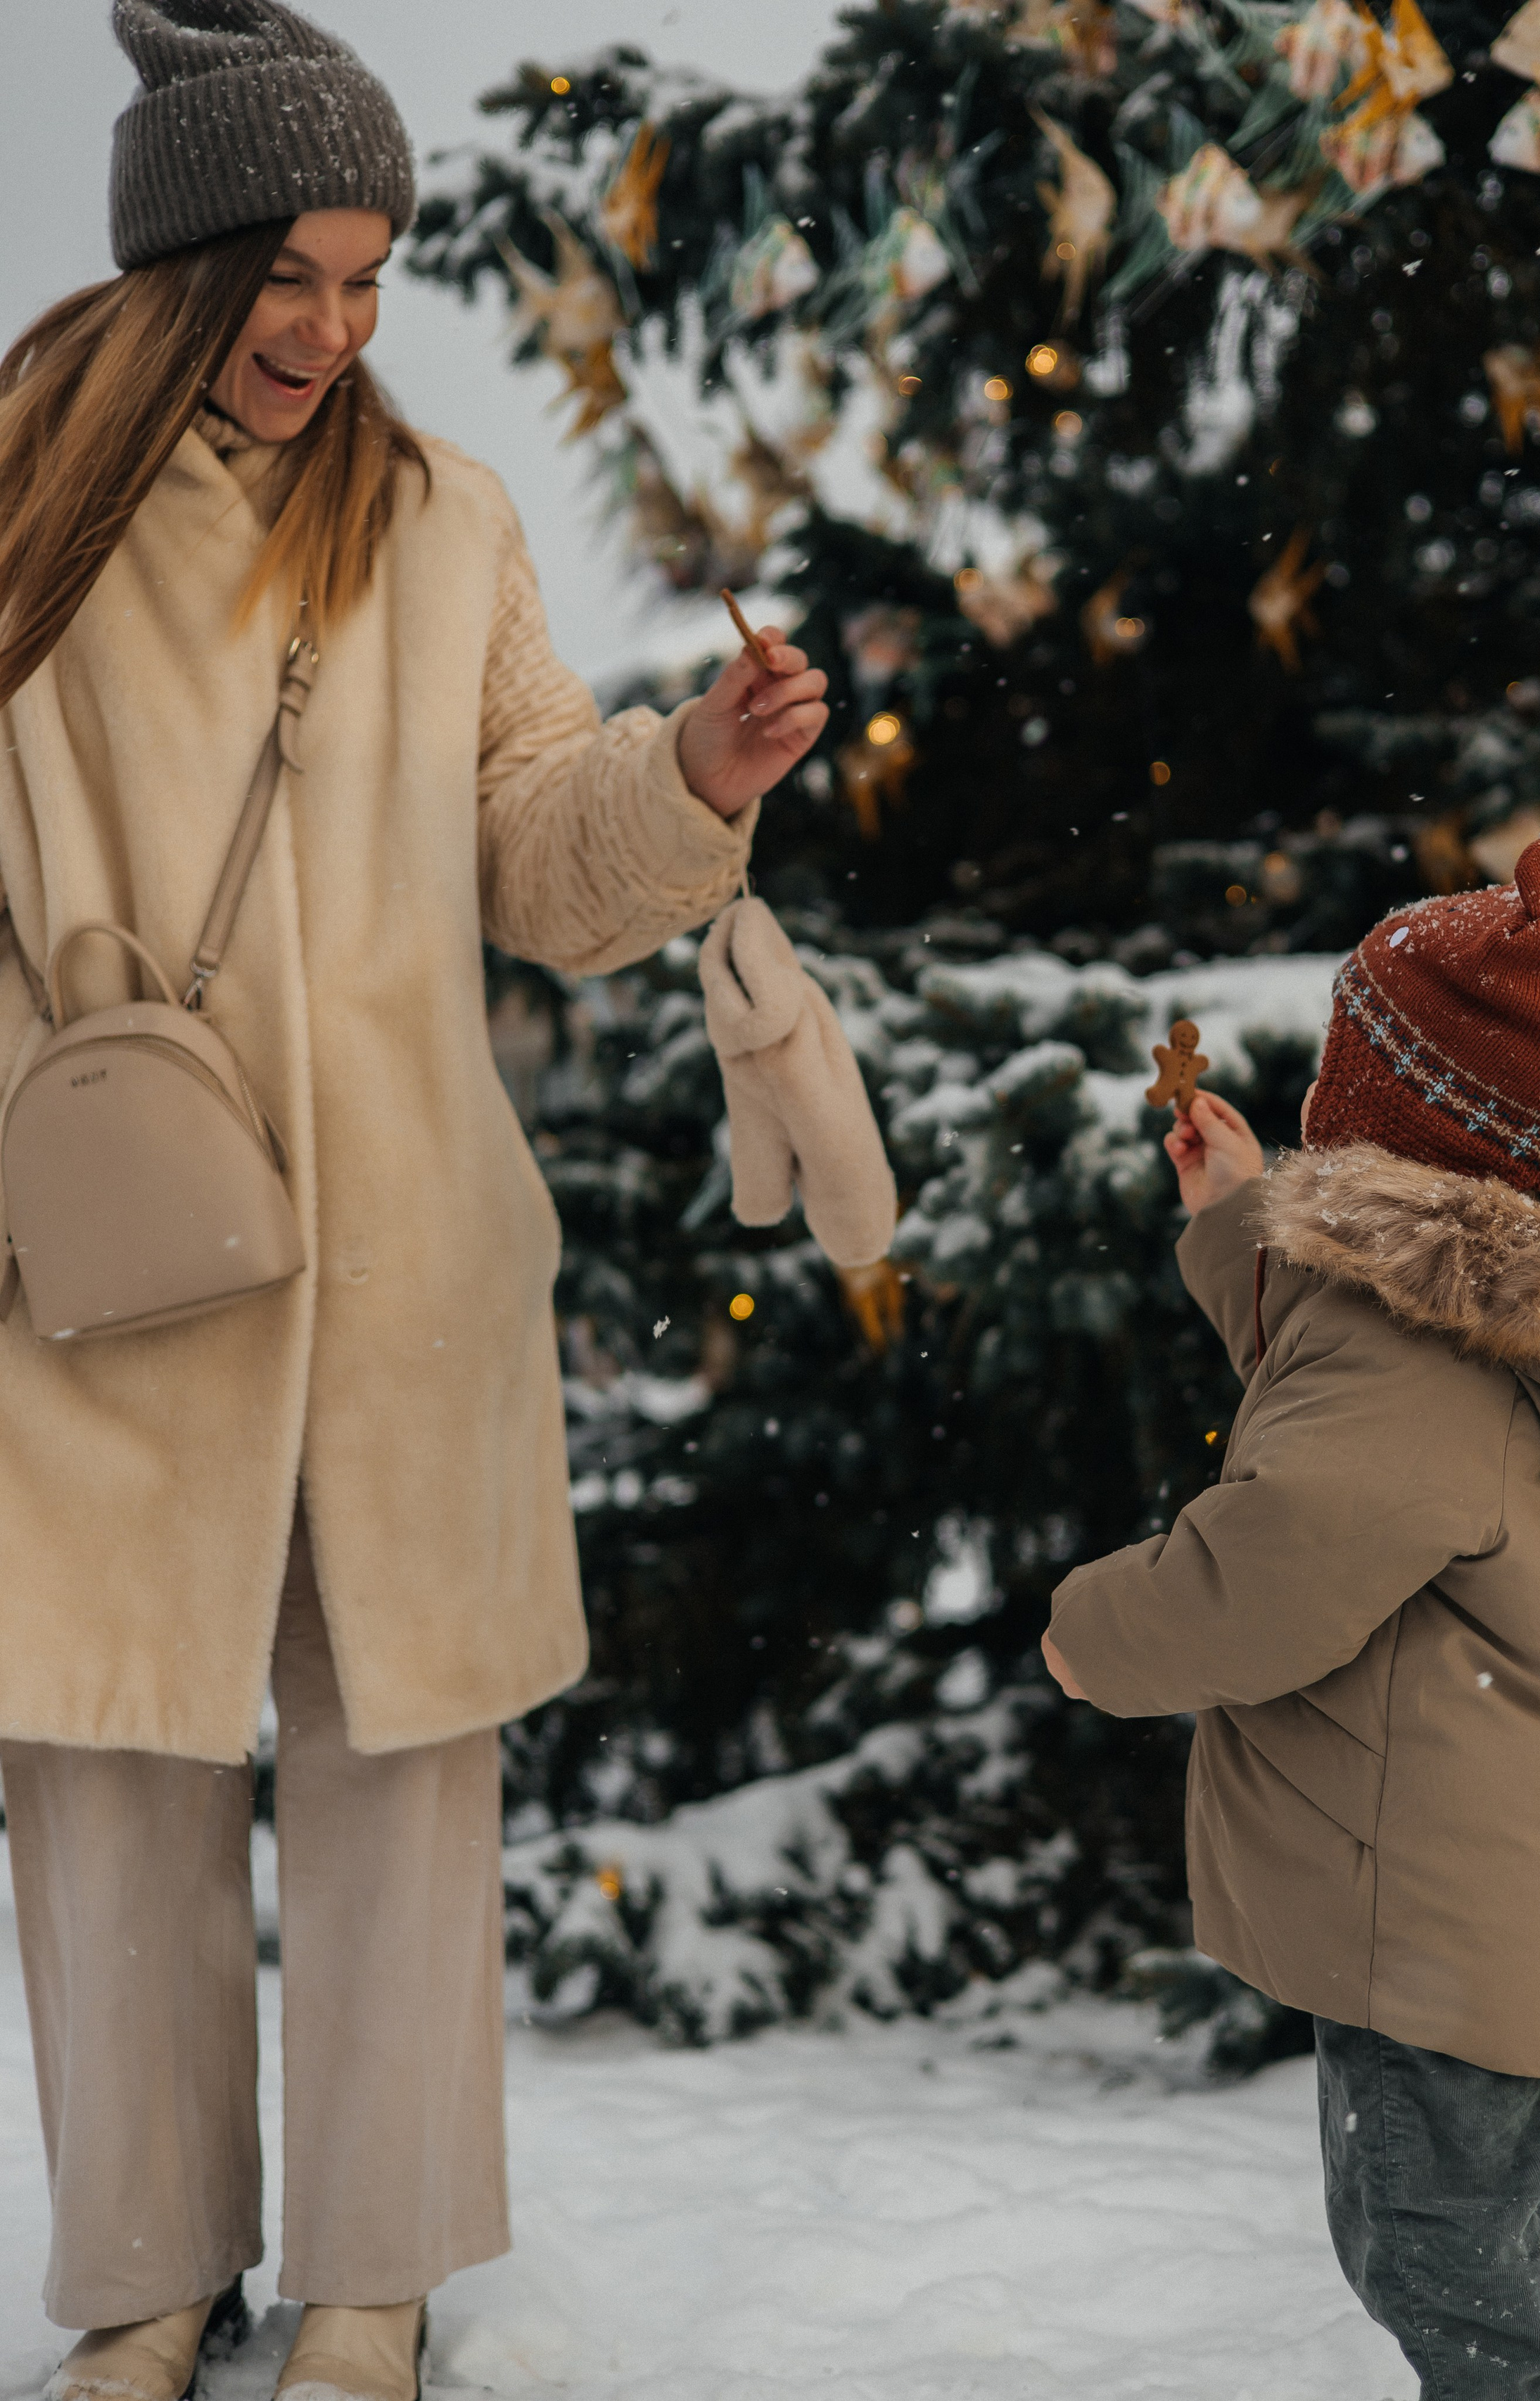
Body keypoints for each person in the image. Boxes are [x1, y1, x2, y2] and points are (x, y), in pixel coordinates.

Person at [0, 7, 827, 2399]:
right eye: (286, 272)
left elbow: (544, 858)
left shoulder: (441, 516)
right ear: (180, 255)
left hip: (397, 1264)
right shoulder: (20, 509)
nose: (330, 329)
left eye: (367, 276)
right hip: (108, 1254)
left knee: (398, 1770)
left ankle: (375, 2283)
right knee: (113, 1770)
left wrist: (687, 772)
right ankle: (147, 2278)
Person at [1042, 834, 1540, 2400]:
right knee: (1465, 2226)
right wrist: (1237, 1214)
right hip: (1467, 1844)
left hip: (1439, 1874)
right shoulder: (1444, 1293)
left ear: (1397, 1110)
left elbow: (1281, 1559)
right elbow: (1322, 1339)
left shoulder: (1406, 1357)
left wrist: (1093, 1629)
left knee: (1431, 2244)